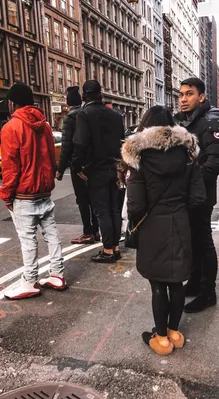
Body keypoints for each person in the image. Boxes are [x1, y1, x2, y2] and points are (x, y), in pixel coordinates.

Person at [121, 106, 206, 355]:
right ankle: (174, 332)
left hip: (152, 228)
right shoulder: (189, 156)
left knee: (158, 284)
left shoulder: (139, 158)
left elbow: (135, 205)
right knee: (177, 281)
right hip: (180, 223)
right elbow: (198, 198)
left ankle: (161, 339)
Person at [0, 83, 66, 299]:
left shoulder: (11, 128)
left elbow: (10, 166)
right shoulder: (45, 125)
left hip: (24, 193)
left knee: (28, 238)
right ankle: (57, 274)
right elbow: (49, 157)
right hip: (44, 191)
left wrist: (6, 195)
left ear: (12, 103)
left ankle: (29, 280)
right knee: (51, 233)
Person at [174, 77, 219, 313]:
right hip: (188, 194)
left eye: (189, 94)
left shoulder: (210, 122)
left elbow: (217, 160)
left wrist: (191, 182)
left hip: (202, 195)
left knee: (203, 241)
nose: (183, 99)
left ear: (201, 97)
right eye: (181, 94)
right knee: (192, 240)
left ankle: (208, 292)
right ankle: (195, 282)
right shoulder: (187, 122)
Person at [73, 80, 125, 263]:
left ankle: (108, 250)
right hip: (116, 168)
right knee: (115, 209)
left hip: (97, 169)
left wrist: (78, 166)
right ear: (100, 94)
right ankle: (116, 247)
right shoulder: (116, 115)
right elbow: (121, 142)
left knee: (102, 211)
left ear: (84, 96)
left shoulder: (84, 115)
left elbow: (80, 143)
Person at [56, 86, 100, 244]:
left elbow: (66, 146)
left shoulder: (70, 118)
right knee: (93, 198)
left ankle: (87, 232)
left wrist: (60, 170)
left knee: (82, 199)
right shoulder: (87, 114)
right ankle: (96, 230)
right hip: (93, 164)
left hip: (78, 165)